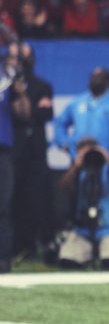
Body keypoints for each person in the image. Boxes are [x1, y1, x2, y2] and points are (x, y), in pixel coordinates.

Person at [8, 42, 54, 261]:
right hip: (13, 151)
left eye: (25, 57)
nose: (22, 63)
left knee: (38, 198)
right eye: (18, 57)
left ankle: (42, 243)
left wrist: (25, 99)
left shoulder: (42, 85)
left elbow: (42, 115)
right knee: (13, 198)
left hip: (36, 150)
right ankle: (17, 245)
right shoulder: (5, 86)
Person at [57, 137, 109, 269]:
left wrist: (107, 159)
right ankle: (85, 254)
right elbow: (63, 188)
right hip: (81, 229)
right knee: (69, 262)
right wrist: (75, 167)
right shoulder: (76, 170)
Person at [54, 67, 109, 165]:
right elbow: (60, 123)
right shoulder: (77, 102)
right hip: (79, 158)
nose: (95, 80)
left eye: (100, 77)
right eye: (93, 77)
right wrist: (64, 143)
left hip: (107, 160)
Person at [0, 53, 14, 272]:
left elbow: (23, 111)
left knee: (3, 205)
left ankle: (3, 255)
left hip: (3, 148)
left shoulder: (7, 83)